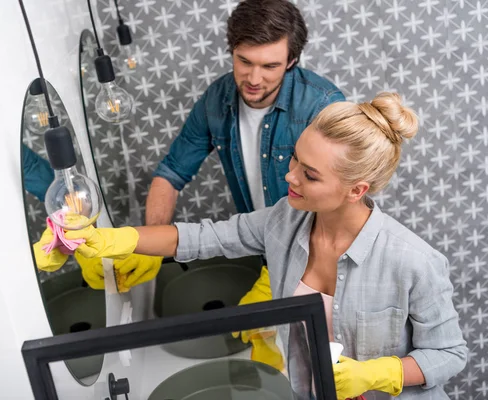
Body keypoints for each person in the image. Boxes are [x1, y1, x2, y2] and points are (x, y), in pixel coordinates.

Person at [63, 93, 467, 399]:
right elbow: (203, 237)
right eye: (294, 160)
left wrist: (380, 373)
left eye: (309, 175)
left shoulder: (413, 261)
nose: (290, 176)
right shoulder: (284, 219)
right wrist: (114, 240)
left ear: (355, 190)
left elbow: (449, 354)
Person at [107, 0, 346, 294]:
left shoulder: (323, 105)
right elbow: (170, 174)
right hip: (265, 253)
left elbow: (341, 202)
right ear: (232, 51)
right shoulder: (215, 101)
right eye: (244, 61)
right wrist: (151, 243)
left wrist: (292, 275)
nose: (254, 79)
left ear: (291, 61)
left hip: (316, 265)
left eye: (270, 66)